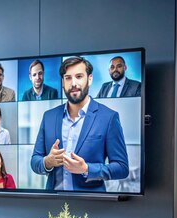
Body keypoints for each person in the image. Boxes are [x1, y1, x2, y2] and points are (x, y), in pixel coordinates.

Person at [30, 56, 129, 191]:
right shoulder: (49, 117)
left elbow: (122, 168)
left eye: (79, 76)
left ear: (89, 79)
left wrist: (87, 169)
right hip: (52, 205)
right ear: (63, 82)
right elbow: (35, 160)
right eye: (68, 78)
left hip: (91, 206)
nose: (73, 83)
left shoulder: (109, 117)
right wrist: (47, 162)